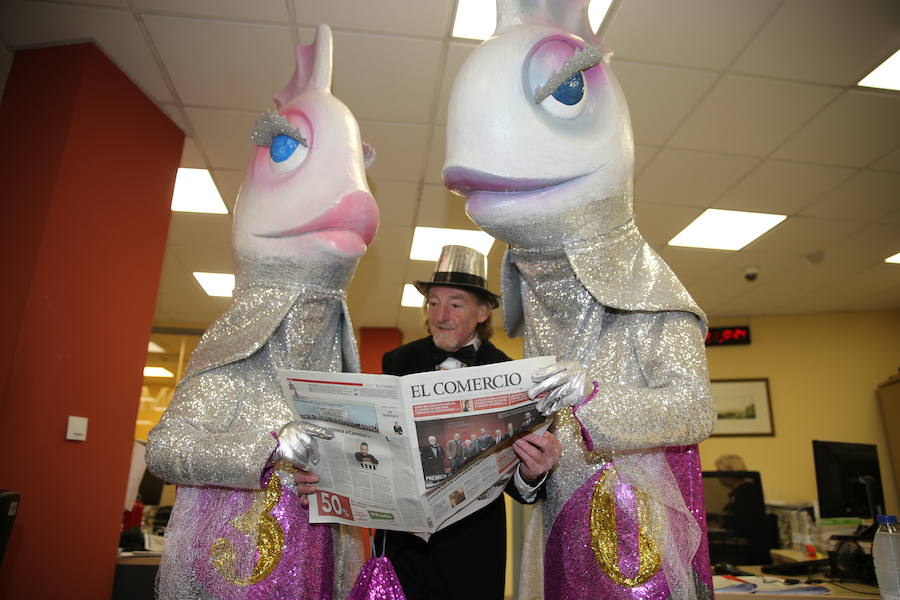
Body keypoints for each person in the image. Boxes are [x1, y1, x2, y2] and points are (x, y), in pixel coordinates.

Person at [376, 245, 561, 600]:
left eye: (455, 303)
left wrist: (532, 472)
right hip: (404, 548)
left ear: (481, 312)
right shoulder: (397, 360)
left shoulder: (512, 374)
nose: (440, 315)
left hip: (475, 549)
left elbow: (520, 487)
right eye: (433, 302)